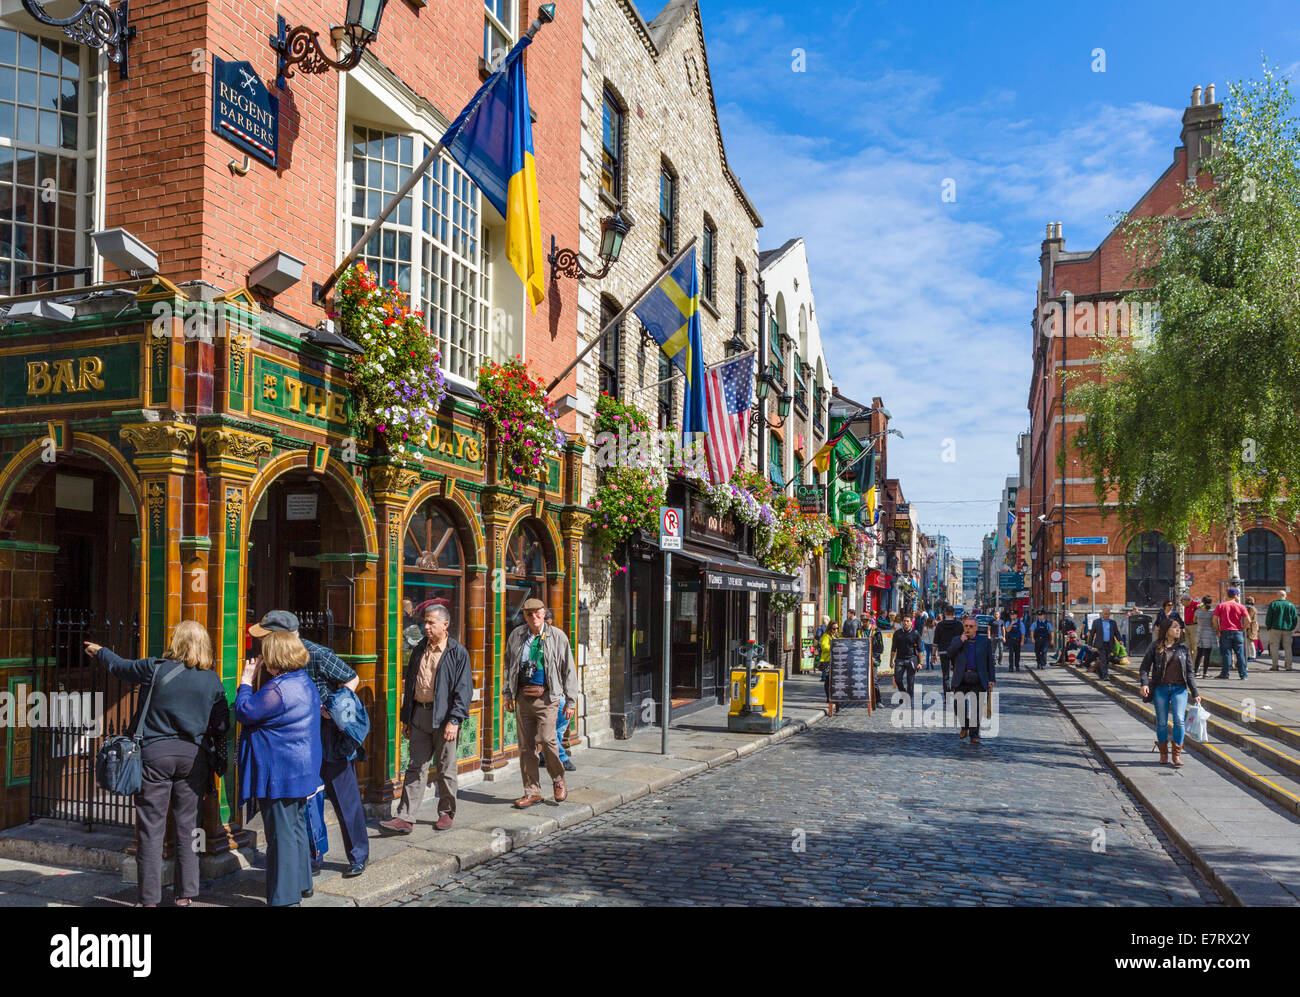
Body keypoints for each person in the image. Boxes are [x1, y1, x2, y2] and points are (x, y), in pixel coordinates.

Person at [84, 621, 228, 908]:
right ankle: (185, 895)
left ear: (176, 642)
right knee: (187, 827)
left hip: (154, 755)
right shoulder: (212, 680)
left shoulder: (155, 667)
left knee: (151, 828)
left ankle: (148, 900)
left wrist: (100, 652)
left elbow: (121, 667)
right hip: (193, 758)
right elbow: (221, 724)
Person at [249, 610, 369, 879]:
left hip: (329, 735)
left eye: (267, 635)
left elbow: (352, 678)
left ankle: (358, 855)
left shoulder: (318, 653)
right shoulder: (272, 658)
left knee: (344, 799)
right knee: (308, 801)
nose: (263, 641)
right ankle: (313, 859)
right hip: (299, 741)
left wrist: (334, 705)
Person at [235, 630, 321, 907]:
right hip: (300, 767)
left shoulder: (278, 689)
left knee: (280, 836)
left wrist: (246, 681)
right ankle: (301, 884)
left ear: (275, 657)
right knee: (295, 827)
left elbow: (245, 711)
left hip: (281, 772)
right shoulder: (303, 681)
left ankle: (285, 898)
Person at [381, 604, 473, 834]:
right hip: (419, 715)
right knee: (415, 767)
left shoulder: (457, 652)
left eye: (432, 623)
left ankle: (446, 812)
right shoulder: (420, 648)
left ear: (445, 624)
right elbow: (411, 684)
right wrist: (407, 719)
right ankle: (405, 817)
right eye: (425, 622)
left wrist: (455, 720)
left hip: (444, 718)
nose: (427, 627)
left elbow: (464, 690)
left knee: (446, 768)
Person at [503, 598, 578, 809]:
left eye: (538, 613)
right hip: (523, 698)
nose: (534, 618)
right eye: (529, 614)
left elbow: (569, 670)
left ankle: (557, 778)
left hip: (547, 698)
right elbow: (509, 666)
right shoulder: (516, 636)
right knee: (526, 748)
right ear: (524, 616)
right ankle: (532, 792)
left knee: (547, 740)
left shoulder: (557, 636)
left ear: (544, 613)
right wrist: (508, 694)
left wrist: (571, 701)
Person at [1139, 616, 1201, 768]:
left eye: (1179, 627)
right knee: (1161, 722)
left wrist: (1195, 692)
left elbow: (1190, 673)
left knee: (1179, 720)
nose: (1178, 630)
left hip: (1179, 689)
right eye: (1175, 627)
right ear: (1166, 630)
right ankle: (1163, 753)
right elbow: (1144, 668)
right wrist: (1145, 684)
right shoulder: (1155, 647)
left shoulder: (1183, 649)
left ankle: (1177, 754)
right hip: (1160, 688)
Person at [947, 615, 995, 744]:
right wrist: (960, 641)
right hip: (961, 678)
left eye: (971, 626)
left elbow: (990, 661)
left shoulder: (985, 641)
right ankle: (965, 725)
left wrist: (992, 678)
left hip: (978, 678)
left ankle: (974, 734)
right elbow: (949, 653)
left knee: (976, 708)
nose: (968, 629)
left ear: (976, 628)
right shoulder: (957, 639)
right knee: (959, 706)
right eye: (966, 626)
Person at [1213, 587, 1251, 680]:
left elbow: (1214, 620)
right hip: (1237, 632)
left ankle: (1225, 673)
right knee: (1240, 654)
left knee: (1226, 653)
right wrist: (1243, 628)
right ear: (1236, 595)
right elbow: (1248, 620)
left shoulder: (1221, 606)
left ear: (1227, 595)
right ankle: (1243, 675)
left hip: (1225, 632)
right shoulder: (1241, 606)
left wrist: (1218, 631)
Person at [1264, 589, 1297, 671]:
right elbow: (1295, 619)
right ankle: (1288, 666)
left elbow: (1269, 618)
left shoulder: (1273, 604)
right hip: (1287, 629)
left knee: (1274, 647)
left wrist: (1269, 627)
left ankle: (1275, 666)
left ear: (1277, 596)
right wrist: (1292, 627)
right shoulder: (1291, 605)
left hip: (1275, 629)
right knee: (1288, 648)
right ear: (1285, 595)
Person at [1087, 607, 1121, 681]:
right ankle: (1106, 675)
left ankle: (1100, 673)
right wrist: (1089, 644)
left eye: (1108, 614)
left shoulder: (1113, 622)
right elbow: (1092, 634)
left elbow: (1116, 633)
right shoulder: (1096, 622)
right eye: (1105, 614)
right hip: (1100, 644)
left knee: (1107, 659)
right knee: (1103, 659)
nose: (1107, 615)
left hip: (1110, 644)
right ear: (1102, 614)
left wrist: (1120, 640)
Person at [891, 615, 922, 697]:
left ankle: (908, 699)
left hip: (911, 659)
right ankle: (903, 693)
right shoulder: (897, 633)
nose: (906, 622)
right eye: (904, 621)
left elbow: (920, 650)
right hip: (899, 659)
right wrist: (891, 661)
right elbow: (893, 648)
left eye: (908, 621)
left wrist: (920, 663)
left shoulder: (915, 634)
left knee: (910, 682)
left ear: (911, 622)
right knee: (897, 679)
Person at [934, 606, 962, 692]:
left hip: (943, 651)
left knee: (945, 675)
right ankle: (955, 690)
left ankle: (947, 695)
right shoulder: (959, 624)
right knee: (957, 673)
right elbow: (962, 639)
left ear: (945, 613)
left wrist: (933, 654)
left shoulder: (939, 625)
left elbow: (935, 641)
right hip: (956, 651)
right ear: (954, 614)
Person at [1193, 595, 1216, 678]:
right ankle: (1205, 673)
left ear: (1203, 602)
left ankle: (1196, 671)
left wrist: (1200, 606)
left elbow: (1194, 620)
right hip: (1209, 633)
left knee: (1199, 654)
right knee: (1207, 655)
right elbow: (1214, 622)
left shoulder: (1198, 611)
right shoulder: (1213, 611)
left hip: (1200, 633)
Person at [1245, 595, 1261, 662]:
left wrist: (1246, 627)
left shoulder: (1251, 608)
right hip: (1251, 626)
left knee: (1250, 642)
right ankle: (1249, 655)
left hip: (1251, 627)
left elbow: (1249, 618)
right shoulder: (1252, 608)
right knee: (1249, 642)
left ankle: (1252, 656)